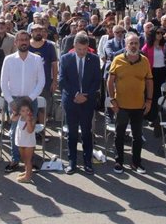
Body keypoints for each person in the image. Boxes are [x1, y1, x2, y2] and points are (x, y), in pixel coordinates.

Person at [107, 32, 153, 175]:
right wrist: (112, 100)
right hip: (121, 105)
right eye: (130, 43)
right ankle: (119, 161)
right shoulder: (118, 60)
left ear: (139, 45)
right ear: (126, 45)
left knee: (137, 136)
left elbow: (149, 81)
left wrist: (149, 101)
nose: (133, 46)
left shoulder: (144, 61)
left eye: (136, 43)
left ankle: (136, 162)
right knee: (119, 135)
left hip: (138, 106)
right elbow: (110, 81)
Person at [0, 30, 45, 173]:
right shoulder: (9, 59)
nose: (24, 42)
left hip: (31, 100)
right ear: (16, 42)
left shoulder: (36, 59)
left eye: (26, 39)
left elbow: (41, 82)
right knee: (15, 131)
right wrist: (10, 101)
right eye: (21, 40)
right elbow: (3, 83)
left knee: (29, 131)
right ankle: (15, 159)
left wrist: (30, 98)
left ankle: (28, 161)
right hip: (14, 100)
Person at [58, 33, 101, 175]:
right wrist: (76, 94)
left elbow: (97, 81)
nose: (82, 52)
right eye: (79, 49)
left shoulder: (94, 59)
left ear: (88, 47)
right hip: (71, 101)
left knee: (87, 132)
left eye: (84, 49)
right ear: (74, 46)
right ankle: (72, 162)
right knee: (72, 132)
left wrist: (85, 96)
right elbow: (63, 80)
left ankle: (88, 161)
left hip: (87, 101)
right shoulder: (65, 59)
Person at [12, 96, 36, 183]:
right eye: (22, 111)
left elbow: (30, 131)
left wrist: (28, 121)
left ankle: (28, 177)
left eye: (27, 110)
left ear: (30, 110)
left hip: (29, 143)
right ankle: (27, 172)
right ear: (19, 111)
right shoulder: (19, 117)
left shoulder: (32, 119)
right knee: (24, 159)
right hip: (21, 141)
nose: (25, 112)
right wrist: (15, 113)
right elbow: (12, 119)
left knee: (28, 160)